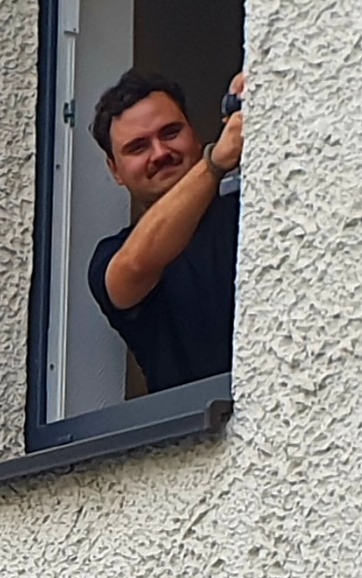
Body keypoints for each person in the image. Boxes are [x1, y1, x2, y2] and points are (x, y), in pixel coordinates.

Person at [87, 68, 244, 393]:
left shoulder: (248, 210)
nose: (160, 153)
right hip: (202, 434)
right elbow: (134, 266)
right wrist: (215, 162)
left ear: (194, 132)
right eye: (138, 147)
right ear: (115, 170)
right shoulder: (114, 254)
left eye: (171, 132)